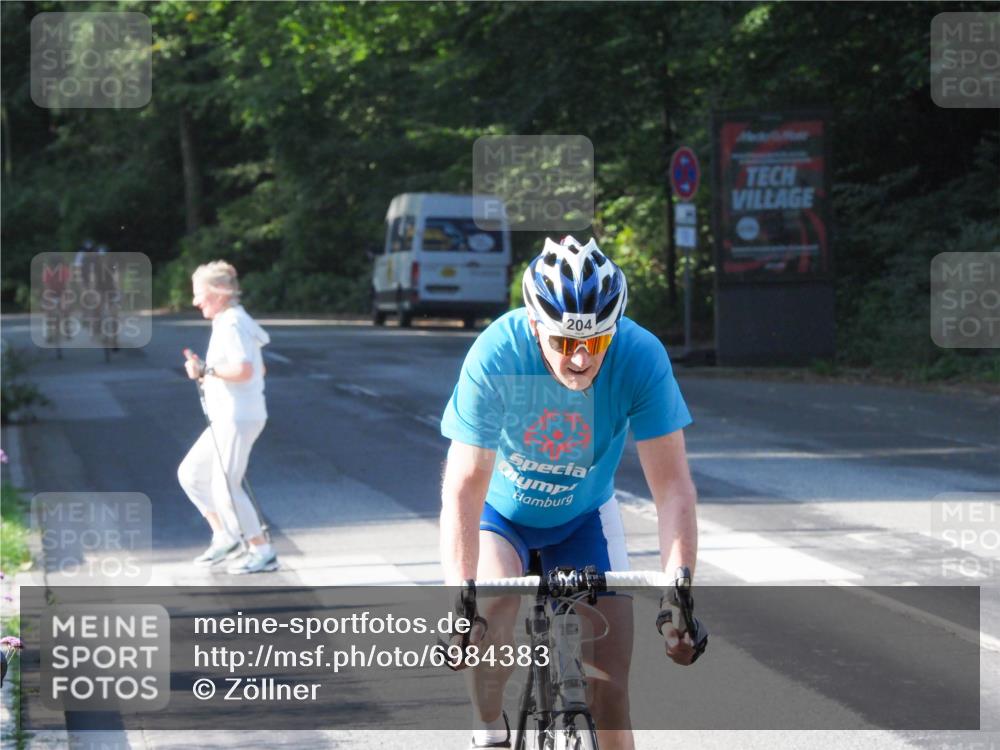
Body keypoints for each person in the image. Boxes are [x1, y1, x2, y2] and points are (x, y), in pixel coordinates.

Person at [439, 236, 705, 750]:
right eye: (563, 342)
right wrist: (460, 594)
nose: (581, 359)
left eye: (596, 342)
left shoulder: (640, 356)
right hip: (503, 516)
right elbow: (464, 487)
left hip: (584, 516)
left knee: (611, 696)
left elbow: (673, 488)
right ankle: (489, 727)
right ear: (535, 326)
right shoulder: (497, 353)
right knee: (490, 609)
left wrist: (679, 593)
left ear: (614, 331)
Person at [178, 261, 276, 574]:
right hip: (230, 415)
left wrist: (205, 370)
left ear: (219, 293)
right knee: (191, 473)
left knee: (226, 486)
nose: (195, 302)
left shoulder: (232, 322)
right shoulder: (228, 321)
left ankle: (261, 550)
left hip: (239, 416)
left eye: (199, 294)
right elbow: (257, 369)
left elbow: (246, 369)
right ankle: (224, 535)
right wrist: (211, 374)